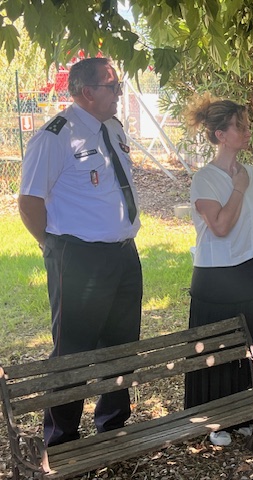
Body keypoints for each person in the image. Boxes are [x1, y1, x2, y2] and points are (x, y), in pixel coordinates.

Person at [18, 57, 143, 446]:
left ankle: (112, 427)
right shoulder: (55, 136)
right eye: (113, 87)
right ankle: (62, 439)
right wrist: (53, 247)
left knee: (122, 345)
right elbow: (29, 202)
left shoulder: (114, 129)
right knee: (72, 349)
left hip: (123, 253)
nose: (119, 95)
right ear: (87, 92)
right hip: (78, 258)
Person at [183, 93, 253, 446]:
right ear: (220, 135)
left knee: (251, 345)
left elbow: (252, 226)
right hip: (216, 275)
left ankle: (247, 415)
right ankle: (215, 422)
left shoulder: (251, 172)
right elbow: (220, 226)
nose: (247, 132)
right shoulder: (204, 179)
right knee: (216, 351)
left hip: (249, 269)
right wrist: (236, 190)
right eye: (240, 126)